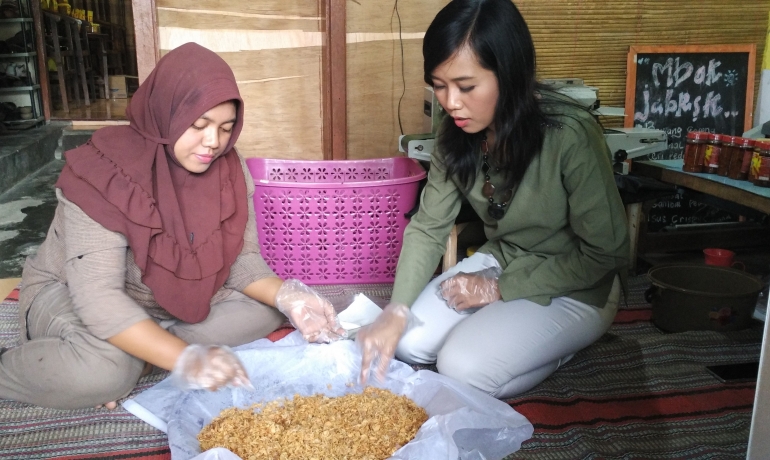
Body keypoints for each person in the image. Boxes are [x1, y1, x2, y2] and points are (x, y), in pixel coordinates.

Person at [0, 43, 343, 410]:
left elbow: (242, 261)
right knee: (107, 372)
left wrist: (290, 297)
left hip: (161, 304)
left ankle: (140, 351)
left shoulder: (229, 169)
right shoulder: (104, 172)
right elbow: (98, 298)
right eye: (199, 126)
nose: (213, 143)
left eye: (226, 128)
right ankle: (109, 359)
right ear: (166, 115)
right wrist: (185, 359)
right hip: (71, 291)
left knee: (266, 311)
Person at [356, 0, 629, 399]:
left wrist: (502, 289)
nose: (450, 102)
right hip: (503, 259)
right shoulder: (455, 135)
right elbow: (428, 228)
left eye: (466, 87)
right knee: (407, 341)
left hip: (576, 284)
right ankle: (508, 336)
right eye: (439, 84)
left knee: (461, 369)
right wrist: (396, 310)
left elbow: (607, 254)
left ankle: (559, 348)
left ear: (510, 75)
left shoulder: (570, 134)